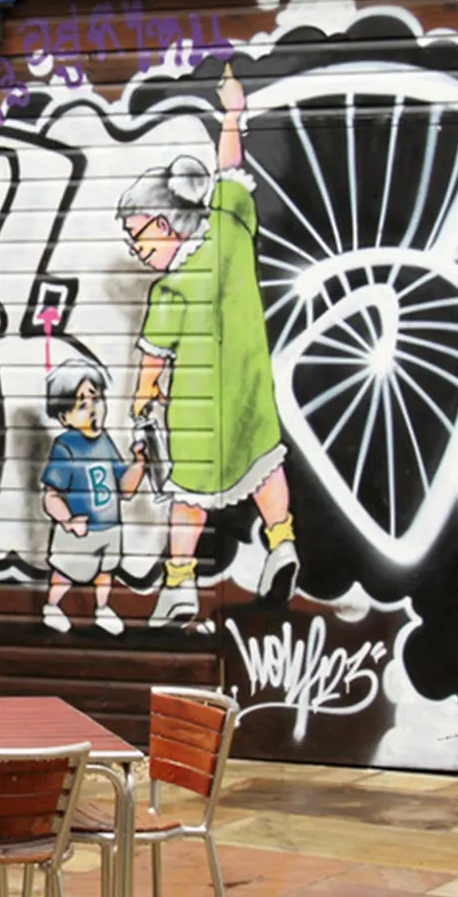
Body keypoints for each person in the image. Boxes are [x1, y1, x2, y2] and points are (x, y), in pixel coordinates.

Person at [118, 63, 297, 628]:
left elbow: (153, 360)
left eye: (139, 233)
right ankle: (283, 543)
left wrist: (142, 404)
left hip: (197, 415)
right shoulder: (229, 231)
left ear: (167, 223)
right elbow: (231, 171)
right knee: (265, 468)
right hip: (251, 397)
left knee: (188, 500)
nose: (136, 246)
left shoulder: (169, 289)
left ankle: (179, 585)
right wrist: (232, 116)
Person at [39, 357, 148, 635]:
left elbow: (124, 488)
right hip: (80, 529)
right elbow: (51, 495)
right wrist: (68, 521)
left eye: (96, 398)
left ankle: (102, 609)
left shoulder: (105, 441)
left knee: (105, 571)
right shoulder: (66, 446)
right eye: (82, 404)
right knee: (66, 571)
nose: (93, 408)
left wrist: (139, 464)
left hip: (109, 527)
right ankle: (52, 606)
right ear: (64, 417)